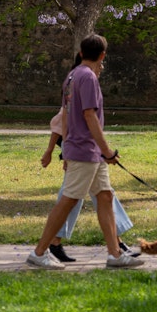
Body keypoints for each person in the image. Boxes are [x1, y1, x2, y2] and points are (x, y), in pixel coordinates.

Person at [27, 33, 141, 270]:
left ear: (81, 53)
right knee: (68, 200)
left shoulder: (72, 75)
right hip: (86, 151)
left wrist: (66, 147)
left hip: (85, 151)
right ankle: (39, 253)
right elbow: (89, 116)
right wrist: (107, 150)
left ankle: (115, 255)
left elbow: (66, 114)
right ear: (102, 55)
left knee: (105, 196)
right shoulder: (88, 77)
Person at [41, 104, 139, 263]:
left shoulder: (83, 84)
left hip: (89, 148)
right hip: (80, 150)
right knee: (74, 196)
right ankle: (45, 247)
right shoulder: (81, 83)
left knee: (104, 195)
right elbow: (60, 122)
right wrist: (53, 152)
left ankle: (116, 245)